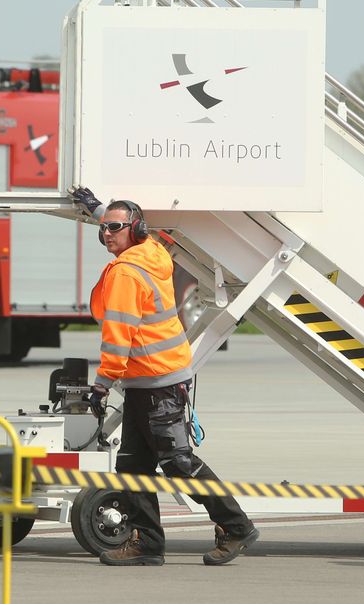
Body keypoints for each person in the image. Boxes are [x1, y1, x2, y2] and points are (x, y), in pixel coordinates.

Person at [71, 187, 259, 566]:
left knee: (177, 463)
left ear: (135, 230)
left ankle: (236, 526)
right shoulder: (151, 250)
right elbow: (120, 220)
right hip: (150, 380)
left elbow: (118, 334)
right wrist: (96, 209)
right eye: (103, 228)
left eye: (114, 228)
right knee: (132, 469)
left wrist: (101, 384)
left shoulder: (126, 273)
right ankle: (148, 544)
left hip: (157, 383)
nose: (107, 234)